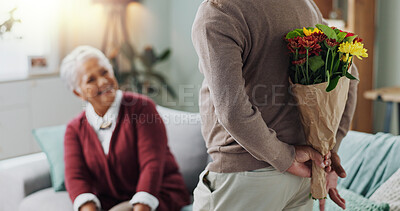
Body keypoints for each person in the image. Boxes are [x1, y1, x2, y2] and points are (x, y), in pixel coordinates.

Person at [191, 0, 358, 210]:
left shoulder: (220, 10)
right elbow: (349, 75)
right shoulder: (305, 6)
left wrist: (285, 158)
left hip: (245, 176)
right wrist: (326, 154)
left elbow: (233, 112)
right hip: (301, 179)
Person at [60, 46, 190, 211]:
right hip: (111, 201)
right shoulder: (74, 129)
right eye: (91, 80)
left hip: (158, 195)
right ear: (79, 93)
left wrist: (140, 207)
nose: (103, 81)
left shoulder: (143, 108)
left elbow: (152, 165)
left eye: (104, 72)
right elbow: (76, 177)